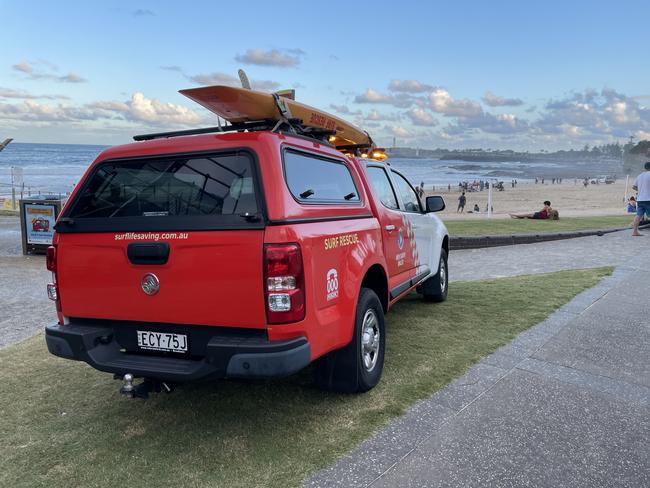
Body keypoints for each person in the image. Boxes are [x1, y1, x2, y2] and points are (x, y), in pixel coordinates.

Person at [631, 162, 650, 237]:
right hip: (648, 199)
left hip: (640, 199)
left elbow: (634, 187)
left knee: (638, 215)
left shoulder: (640, 175)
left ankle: (634, 232)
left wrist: (641, 189)